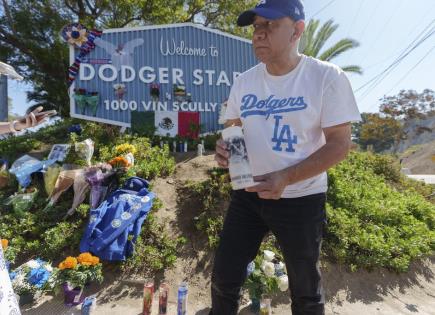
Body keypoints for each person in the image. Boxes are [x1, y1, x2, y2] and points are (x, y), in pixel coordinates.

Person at [212, 1, 361, 314]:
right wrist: (225, 150)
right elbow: (232, 129)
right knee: (224, 277)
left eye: (270, 26)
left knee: (306, 290)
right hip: (248, 196)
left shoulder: (326, 77)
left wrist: (286, 178)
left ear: (297, 30)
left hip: (301, 199)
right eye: (256, 28)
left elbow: (339, 145)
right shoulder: (244, 81)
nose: (258, 35)